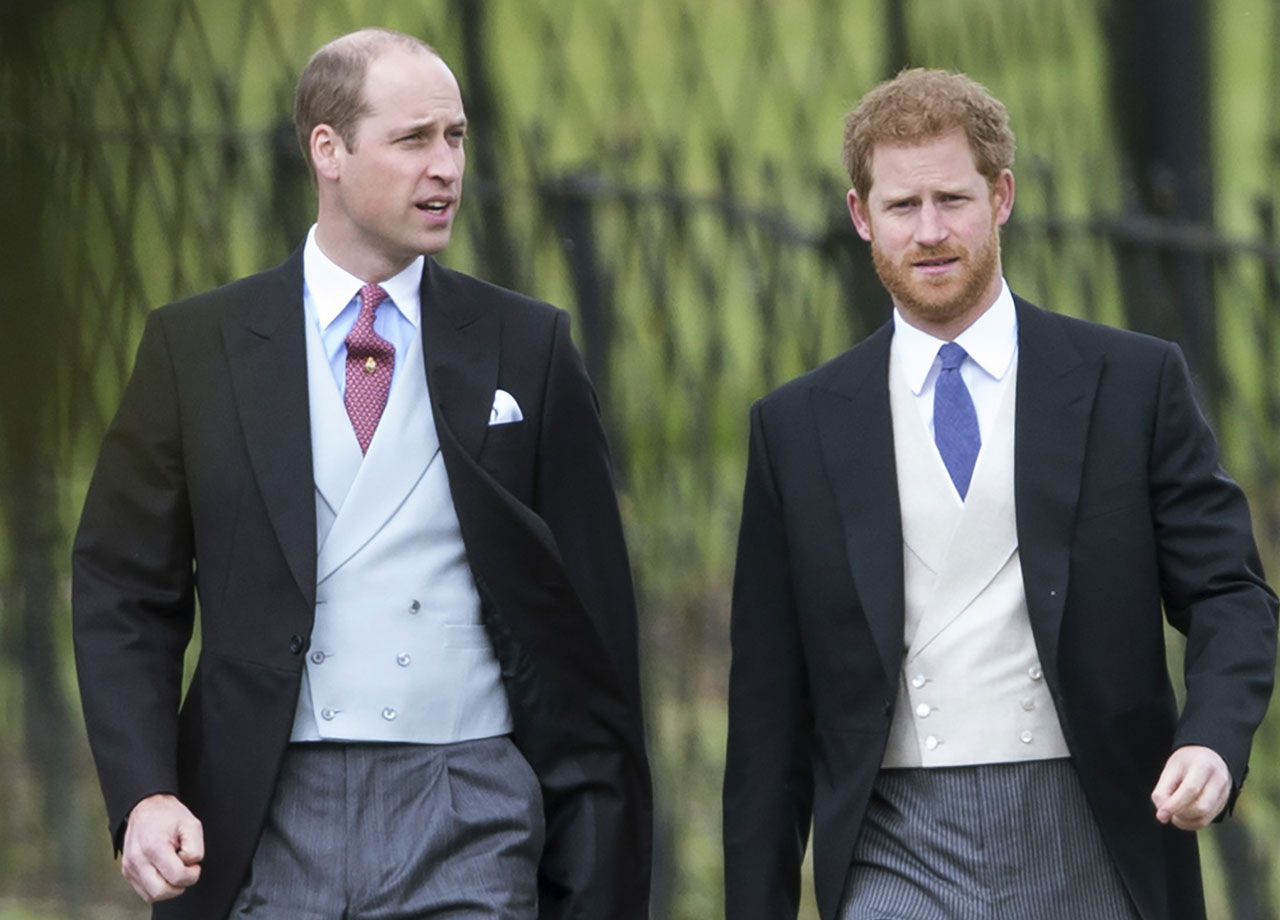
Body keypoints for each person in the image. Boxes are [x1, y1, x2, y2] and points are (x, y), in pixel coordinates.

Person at [72, 27, 650, 920]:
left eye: (456, 137)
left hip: (470, 807)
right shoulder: (198, 348)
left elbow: (593, 630)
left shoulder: (528, 347)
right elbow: (124, 587)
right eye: (414, 139)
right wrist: (145, 791)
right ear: (328, 150)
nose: (446, 167)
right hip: (262, 812)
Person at [722, 68, 1277, 920]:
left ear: (1003, 196)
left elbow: (1229, 593)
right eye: (904, 206)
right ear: (861, 216)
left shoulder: (1131, 383)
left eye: (954, 198)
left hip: (1097, 822)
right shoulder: (795, 427)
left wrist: (1213, 739)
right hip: (892, 842)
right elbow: (768, 708)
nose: (932, 231)